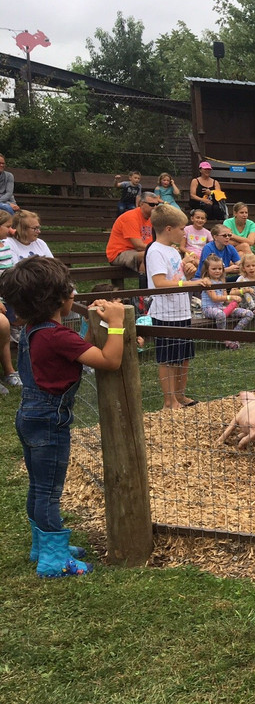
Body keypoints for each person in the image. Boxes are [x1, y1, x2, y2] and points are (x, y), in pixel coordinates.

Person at [0, 255, 127, 578]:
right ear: (58, 298)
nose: (75, 294)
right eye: (70, 290)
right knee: (48, 491)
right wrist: (115, 322)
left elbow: (77, 350)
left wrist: (89, 323)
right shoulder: (56, 336)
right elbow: (109, 360)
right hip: (49, 422)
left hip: (29, 415)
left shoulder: (35, 330)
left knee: (38, 487)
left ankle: (43, 546)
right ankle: (54, 560)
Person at [145, 203, 209, 409]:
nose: (185, 233)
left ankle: (180, 396)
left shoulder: (172, 251)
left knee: (184, 357)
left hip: (182, 310)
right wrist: (191, 282)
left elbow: (176, 278)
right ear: (169, 229)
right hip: (165, 313)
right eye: (182, 229)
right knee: (168, 359)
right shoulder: (155, 251)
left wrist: (188, 274)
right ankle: (169, 400)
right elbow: (160, 283)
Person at [200, 254, 254, 350]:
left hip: (221, 308)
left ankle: (234, 335)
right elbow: (214, 298)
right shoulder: (207, 281)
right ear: (207, 269)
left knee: (249, 313)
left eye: (220, 268)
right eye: (214, 269)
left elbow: (225, 298)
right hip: (208, 308)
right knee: (221, 314)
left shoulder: (222, 281)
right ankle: (224, 338)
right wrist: (231, 297)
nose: (217, 271)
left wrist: (233, 302)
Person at [106, 191, 161, 279]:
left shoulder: (152, 219)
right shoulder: (130, 217)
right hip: (120, 253)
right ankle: (144, 291)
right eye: (151, 205)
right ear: (142, 204)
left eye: (156, 205)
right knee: (148, 255)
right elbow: (138, 245)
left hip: (138, 251)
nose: (155, 207)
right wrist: (159, 248)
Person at [0, 211, 19, 393]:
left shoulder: (5, 246)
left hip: (7, 297)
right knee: (2, 325)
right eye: (8, 226)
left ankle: (9, 371)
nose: (12, 230)